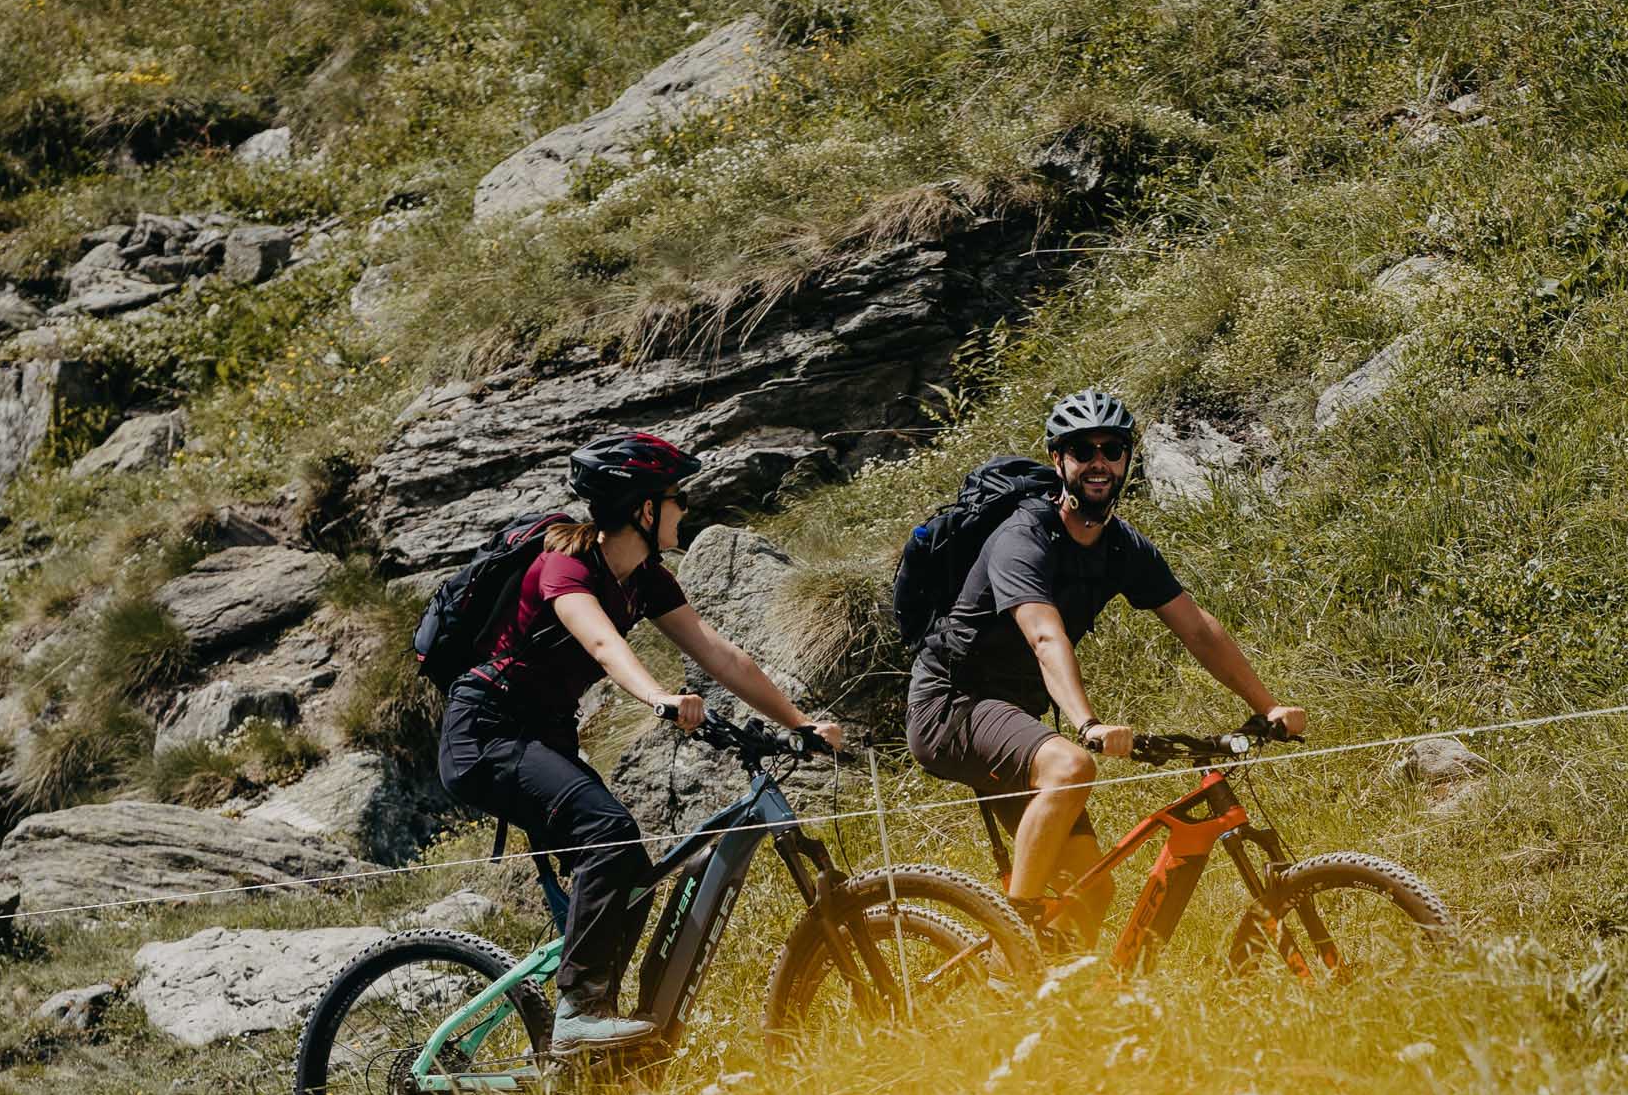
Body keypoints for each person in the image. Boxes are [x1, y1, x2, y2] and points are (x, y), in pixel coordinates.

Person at [440, 431, 847, 1049]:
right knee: (609, 831)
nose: (685, 509)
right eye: (676, 497)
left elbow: (721, 655)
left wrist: (799, 722)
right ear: (643, 508)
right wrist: (658, 697)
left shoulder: (648, 579)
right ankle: (579, 1014)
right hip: (485, 731)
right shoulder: (565, 564)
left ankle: (604, 1036)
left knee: (628, 864)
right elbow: (603, 645)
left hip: (540, 735)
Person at [904, 388, 1304, 944]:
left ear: (1125, 460)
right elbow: (1045, 635)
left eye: (1111, 449)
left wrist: (1268, 706)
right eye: (1082, 449)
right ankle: (1017, 942)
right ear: (1058, 461)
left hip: (1014, 713)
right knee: (1070, 768)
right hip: (952, 704)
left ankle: (1036, 1002)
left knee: (1090, 891)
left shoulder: (1121, 547)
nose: (1099, 462)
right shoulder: (1023, 538)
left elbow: (1197, 628)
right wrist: (1087, 724)